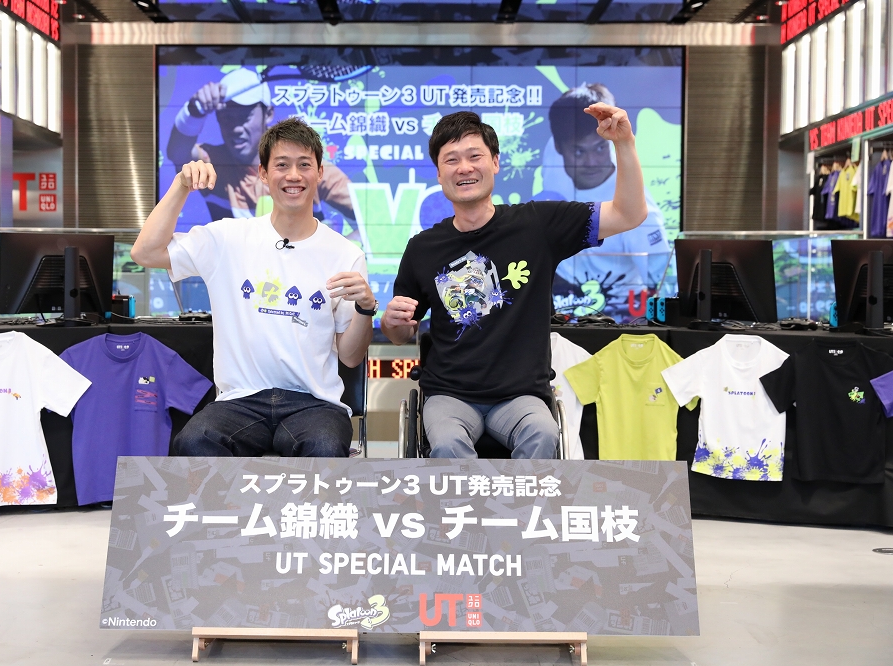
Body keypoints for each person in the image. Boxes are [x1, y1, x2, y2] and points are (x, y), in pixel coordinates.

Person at [381, 109, 647, 459]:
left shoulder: (538, 225)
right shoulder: (423, 247)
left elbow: (629, 214)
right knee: (446, 444)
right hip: (449, 394)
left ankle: (519, 500)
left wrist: (624, 143)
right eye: (452, 160)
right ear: (439, 172)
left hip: (520, 396)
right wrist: (392, 322)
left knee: (543, 433)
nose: (464, 168)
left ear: (495, 162)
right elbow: (400, 334)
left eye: (474, 156)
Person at [133, 117, 377, 457]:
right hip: (239, 402)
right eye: (282, 165)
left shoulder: (345, 254)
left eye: (304, 165)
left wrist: (366, 307)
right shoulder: (228, 238)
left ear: (320, 172)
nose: (293, 175)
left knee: (323, 446)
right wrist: (180, 186)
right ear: (263, 173)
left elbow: (350, 357)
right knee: (194, 440)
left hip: (314, 405)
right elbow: (145, 252)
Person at [166, 67, 360, 239]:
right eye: (227, 117)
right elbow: (177, 152)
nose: (236, 128)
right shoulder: (213, 164)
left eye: (244, 116)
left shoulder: (308, 169)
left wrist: (336, 253)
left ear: (268, 114)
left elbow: (373, 215)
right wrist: (193, 112)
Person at [545, 84, 671, 319]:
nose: (592, 162)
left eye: (600, 148)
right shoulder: (551, 177)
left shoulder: (636, 207)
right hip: (562, 316)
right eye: (579, 152)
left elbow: (664, 286)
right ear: (558, 148)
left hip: (619, 322)